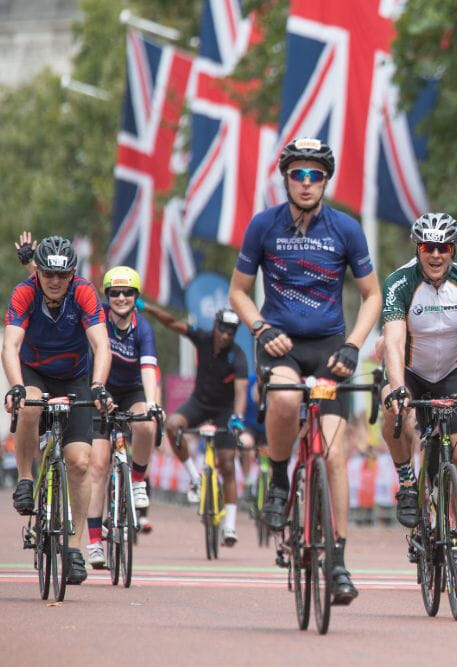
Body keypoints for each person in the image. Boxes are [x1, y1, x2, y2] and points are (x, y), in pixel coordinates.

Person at [229, 137, 382, 604]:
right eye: (299, 173)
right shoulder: (263, 226)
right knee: (285, 397)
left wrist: (355, 346)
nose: (307, 182)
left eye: (316, 174)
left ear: (326, 180)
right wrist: (258, 327)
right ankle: (278, 478)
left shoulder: (346, 230)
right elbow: (238, 291)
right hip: (280, 345)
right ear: (286, 178)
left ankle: (336, 561)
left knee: (334, 456)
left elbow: (372, 295)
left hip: (331, 347)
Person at [381, 212, 457, 595]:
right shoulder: (400, 282)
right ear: (417, 248)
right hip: (412, 371)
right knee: (390, 404)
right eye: (427, 247)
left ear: (452, 249)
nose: (435, 255)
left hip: (452, 372)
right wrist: (399, 386)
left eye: (443, 248)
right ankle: (406, 479)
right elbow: (394, 341)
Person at [3, 236, 113, 584]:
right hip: (34, 371)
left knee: (81, 462)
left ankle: (75, 547)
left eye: (62, 275)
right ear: (37, 271)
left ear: (72, 274)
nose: (54, 281)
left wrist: (97, 385)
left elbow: (101, 344)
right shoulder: (24, 293)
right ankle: (24, 478)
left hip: (74, 377)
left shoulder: (84, 293)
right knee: (32, 402)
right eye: (48, 273)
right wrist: (16, 385)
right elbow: (10, 345)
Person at [143, 303, 248, 546]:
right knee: (172, 426)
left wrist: (238, 418)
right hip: (199, 403)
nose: (226, 335)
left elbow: (241, 391)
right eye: (223, 329)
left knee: (228, 465)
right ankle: (195, 477)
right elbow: (172, 322)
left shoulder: (238, 355)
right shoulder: (202, 338)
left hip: (225, 411)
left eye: (231, 332)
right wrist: (148, 307)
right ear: (215, 326)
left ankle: (230, 526)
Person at [85, 266, 161, 567]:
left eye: (127, 292)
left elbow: (149, 368)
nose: (120, 297)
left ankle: (138, 480)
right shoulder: (98, 317)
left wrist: (152, 402)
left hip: (131, 391)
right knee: (98, 467)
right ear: (107, 296)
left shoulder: (143, 329)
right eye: (114, 292)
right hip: (101, 390)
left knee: (146, 423)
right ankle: (93, 542)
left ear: (136, 296)